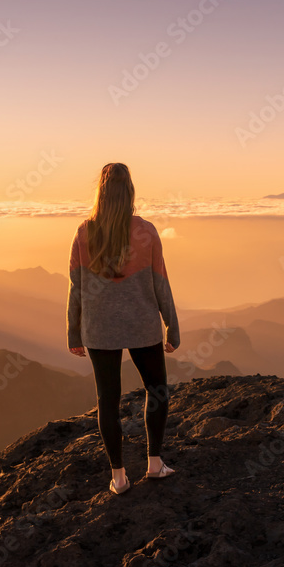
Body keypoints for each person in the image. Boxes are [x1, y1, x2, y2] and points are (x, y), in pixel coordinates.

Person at [67, 162, 182, 495]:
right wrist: (171, 327)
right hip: (142, 324)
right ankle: (155, 463)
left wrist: (74, 331)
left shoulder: (84, 232)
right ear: (129, 192)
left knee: (107, 400)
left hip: (99, 329)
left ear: (100, 194)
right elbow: (161, 282)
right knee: (157, 389)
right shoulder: (145, 231)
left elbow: (76, 287)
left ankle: (118, 477)